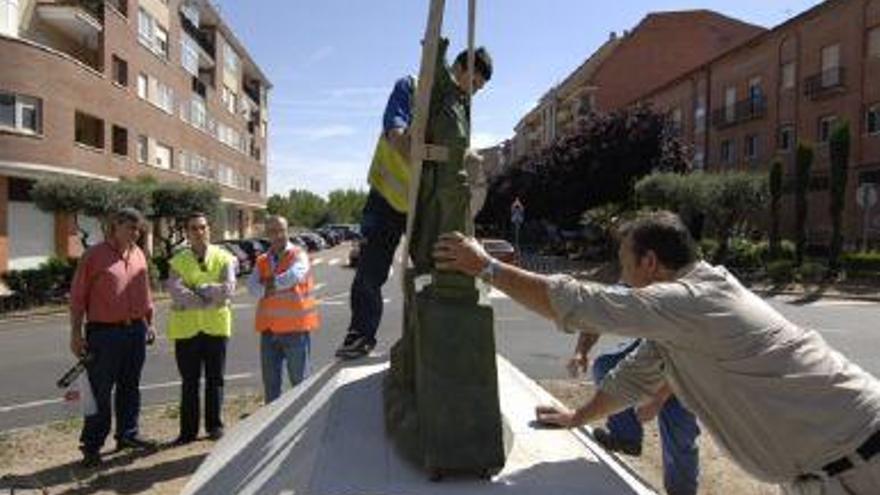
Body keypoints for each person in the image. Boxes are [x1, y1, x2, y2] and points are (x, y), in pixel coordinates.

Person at [433, 211, 880, 494]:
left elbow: (582, 304)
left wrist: (486, 267)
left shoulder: (690, 301)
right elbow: (633, 379)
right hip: (829, 473)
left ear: (650, 262)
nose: (623, 278)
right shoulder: (681, 321)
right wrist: (577, 418)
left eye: (626, 267)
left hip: (865, 462)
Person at [335, 46, 493, 360]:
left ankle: (427, 337)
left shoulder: (459, 108)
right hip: (387, 198)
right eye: (473, 83)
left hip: (424, 204)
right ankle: (361, 335)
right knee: (370, 270)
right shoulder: (413, 87)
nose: (473, 91)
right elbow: (396, 134)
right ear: (460, 69)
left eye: (479, 88)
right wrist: (421, 145)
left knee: (430, 269)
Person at [69, 207, 157, 467]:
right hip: (103, 334)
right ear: (115, 226)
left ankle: (127, 435)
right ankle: (92, 445)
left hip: (135, 331)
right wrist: (75, 333)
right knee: (100, 391)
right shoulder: (94, 256)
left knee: (130, 386)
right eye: (131, 228)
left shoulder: (139, 254)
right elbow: (78, 298)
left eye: (138, 229)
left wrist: (149, 323)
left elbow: (145, 292)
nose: (136, 233)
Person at [569, 333, 700, 495]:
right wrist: (581, 351)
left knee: (679, 427)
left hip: (692, 357)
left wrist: (658, 399)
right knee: (606, 365)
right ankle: (625, 438)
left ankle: (681, 491)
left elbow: (689, 358)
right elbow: (592, 318)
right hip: (655, 343)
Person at [166, 212, 236, 445]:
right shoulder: (178, 260)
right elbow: (175, 290)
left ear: (209, 230)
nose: (199, 232)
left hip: (215, 328)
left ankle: (214, 425)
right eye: (194, 228)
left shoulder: (224, 257)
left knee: (215, 379)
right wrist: (208, 297)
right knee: (190, 382)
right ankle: (188, 431)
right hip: (186, 331)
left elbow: (228, 289)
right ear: (187, 232)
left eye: (202, 227)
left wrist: (197, 289)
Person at [248, 215, 319, 403]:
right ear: (267, 234)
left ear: (287, 231)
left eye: (281, 230)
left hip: (295, 331)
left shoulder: (298, 254)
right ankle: (273, 428)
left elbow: (293, 277)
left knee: (300, 384)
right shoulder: (262, 260)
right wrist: (272, 285)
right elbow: (252, 288)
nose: (278, 235)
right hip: (269, 332)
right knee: (271, 387)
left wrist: (267, 285)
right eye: (272, 231)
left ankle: (302, 421)